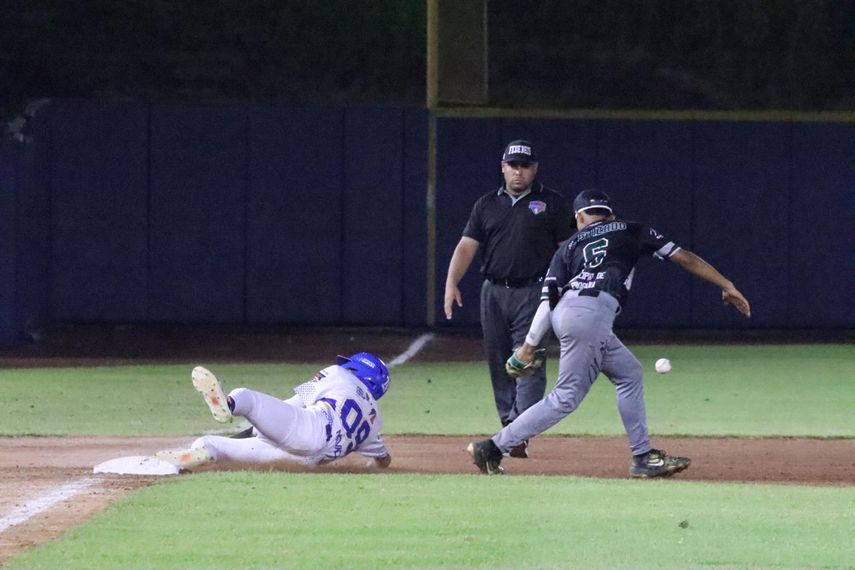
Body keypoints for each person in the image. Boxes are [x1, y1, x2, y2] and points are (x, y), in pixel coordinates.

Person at [467, 190, 751, 478]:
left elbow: (548, 300)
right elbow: (684, 258)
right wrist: (726, 284)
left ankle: (643, 457)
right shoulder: (631, 228)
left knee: (629, 373)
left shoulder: (567, 248)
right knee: (566, 397)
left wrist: (529, 345)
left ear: (579, 217)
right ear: (610, 214)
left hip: (568, 312)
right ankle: (493, 446)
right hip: (592, 313)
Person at [444, 140, 574, 458]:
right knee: (500, 361)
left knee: (528, 361)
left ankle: (518, 430)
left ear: (535, 169)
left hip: (535, 291)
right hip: (493, 291)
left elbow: (568, 248)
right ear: (503, 167)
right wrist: (451, 282)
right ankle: (509, 426)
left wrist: (570, 287)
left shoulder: (552, 203)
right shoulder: (486, 204)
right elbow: (466, 246)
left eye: (525, 166)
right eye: (513, 165)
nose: (518, 171)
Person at [156, 352, 392, 470]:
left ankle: (228, 406)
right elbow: (383, 459)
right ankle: (200, 453)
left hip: (307, 429)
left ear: (356, 368)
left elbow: (295, 402)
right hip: (306, 460)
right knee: (211, 445)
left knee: (247, 397)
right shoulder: (375, 421)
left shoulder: (338, 374)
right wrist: (375, 466)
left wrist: (261, 424)